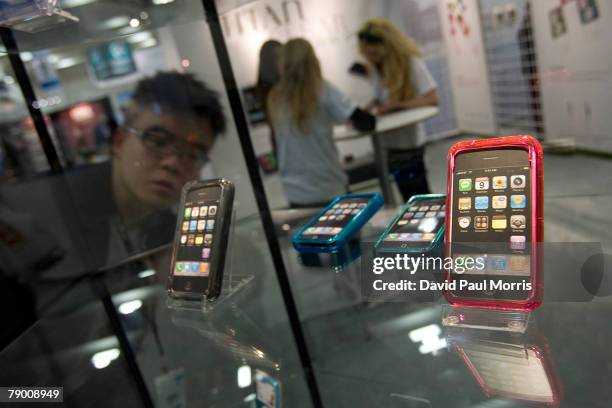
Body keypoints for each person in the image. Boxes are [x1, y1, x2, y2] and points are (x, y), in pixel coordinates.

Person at [267, 38, 375, 208]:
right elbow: (366, 122)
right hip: (328, 187)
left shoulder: (275, 98)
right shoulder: (323, 90)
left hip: (294, 192)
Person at [357, 18, 439, 202]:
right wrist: (369, 106)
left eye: (374, 54)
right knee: (409, 197)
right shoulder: (378, 67)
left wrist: (398, 105)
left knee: (419, 195)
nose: (371, 58)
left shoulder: (411, 63)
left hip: (409, 142)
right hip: (390, 144)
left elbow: (432, 98)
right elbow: (382, 95)